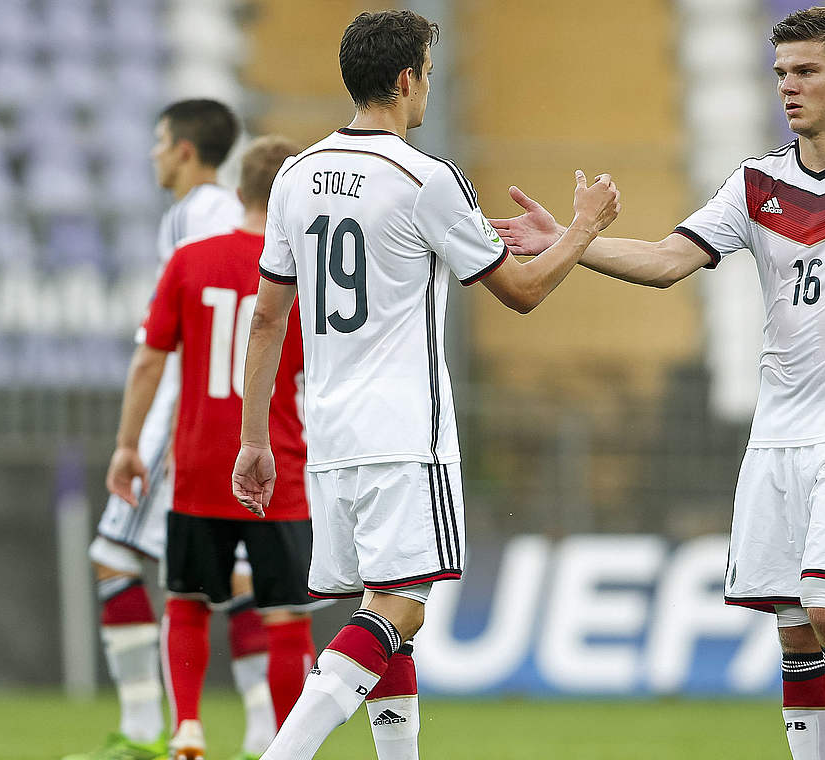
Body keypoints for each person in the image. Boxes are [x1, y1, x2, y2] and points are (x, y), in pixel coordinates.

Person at [493, 8, 825, 759]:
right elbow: (664, 259)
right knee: (794, 625)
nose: (788, 86)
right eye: (780, 72)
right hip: (777, 436)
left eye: (806, 71)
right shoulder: (757, 184)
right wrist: (571, 240)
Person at [230, 11, 620, 760]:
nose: (429, 90)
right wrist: (583, 228)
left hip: (330, 436)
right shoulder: (426, 178)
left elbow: (267, 321)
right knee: (400, 609)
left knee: (388, 618)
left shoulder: (295, 175)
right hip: (406, 433)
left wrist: (254, 440)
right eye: (430, 75)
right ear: (407, 79)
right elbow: (524, 292)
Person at [68, 99, 279, 760]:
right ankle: (263, 733)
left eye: (160, 142)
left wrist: (132, 440)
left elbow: (162, 344)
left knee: (115, 555)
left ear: (185, 151)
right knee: (241, 577)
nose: (155, 154)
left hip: (186, 416)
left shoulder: (195, 218)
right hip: (242, 417)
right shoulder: (238, 221)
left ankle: (140, 734)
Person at [106, 136, 317, 760]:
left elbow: (149, 361)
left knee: (188, 600)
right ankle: (285, 744)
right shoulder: (303, 276)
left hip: (199, 460)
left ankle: (188, 729)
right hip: (279, 461)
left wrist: (126, 445)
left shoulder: (191, 260)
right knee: (285, 616)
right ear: (287, 200)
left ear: (241, 191)